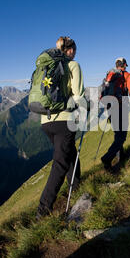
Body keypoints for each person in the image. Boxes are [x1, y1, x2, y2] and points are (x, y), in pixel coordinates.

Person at [36, 36, 85, 220]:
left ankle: (78, 186)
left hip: (46, 121)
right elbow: (78, 95)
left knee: (70, 154)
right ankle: (43, 211)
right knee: (60, 163)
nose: (75, 53)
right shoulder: (73, 65)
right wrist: (88, 106)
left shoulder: (48, 66)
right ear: (70, 50)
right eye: (75, 49)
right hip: (65, 121)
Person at [100, 57, 130, 171]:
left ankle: (121, 157)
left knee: (118, 134)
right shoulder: (128, 76)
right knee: (121, 137)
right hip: (120, 108)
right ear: (125, 65)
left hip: (109, 108)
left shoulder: (109, 75)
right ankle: (107, 158)